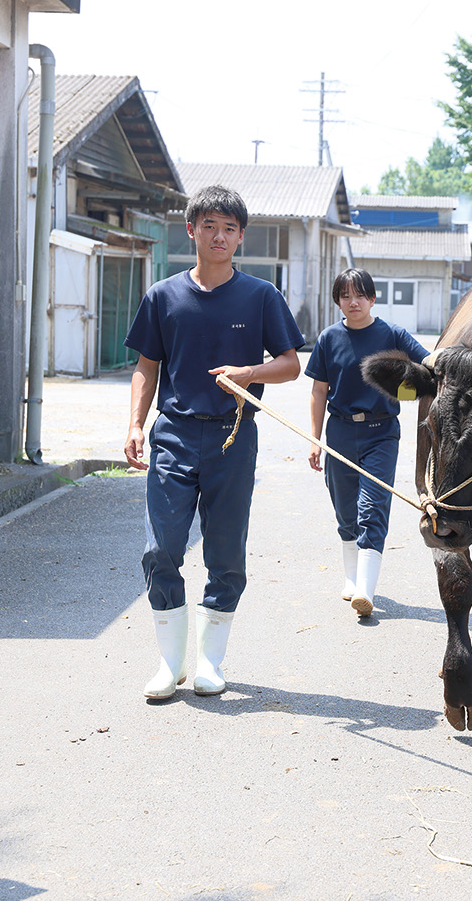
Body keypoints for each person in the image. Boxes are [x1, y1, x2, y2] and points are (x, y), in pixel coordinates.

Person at [124, 185, 303, 700]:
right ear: (191, 231)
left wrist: (248, 373)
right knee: (161, 549)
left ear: (240, 237)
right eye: (209, 226)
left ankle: (208, 661)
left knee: (225, 554)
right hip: (174, 435)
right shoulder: (163, 296)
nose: (219, 236)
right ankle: (168, 663)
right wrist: (136, 425)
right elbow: (146, 367)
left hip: (232, 436)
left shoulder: (261, 296)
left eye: (229, 228)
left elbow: (291, 363)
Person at [305, 268, 428, 618]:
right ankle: (351, 577)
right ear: (338, 301)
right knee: (345, 510)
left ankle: (366, 590)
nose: (353, 301)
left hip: (381, 433)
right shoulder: (328, 338)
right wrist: (315, 440)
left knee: (372, 507)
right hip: (340, 433)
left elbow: (428, 362)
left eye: (360, 295)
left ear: (372, 299)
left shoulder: (392, 334)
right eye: (345, 296)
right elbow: (318, 390)